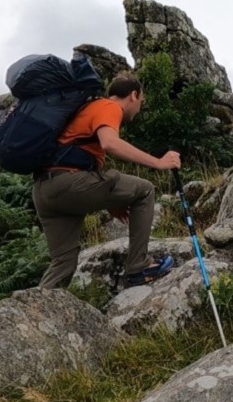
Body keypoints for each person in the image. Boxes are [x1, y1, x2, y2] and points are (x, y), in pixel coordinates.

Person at [32, 72, 181, 289]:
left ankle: (35, 312)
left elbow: (87, 160)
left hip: (45, 191)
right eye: (141, 101)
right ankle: (139, 266)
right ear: (133, 95)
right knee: (145, 190)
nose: (139, 108)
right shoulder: (109, 107)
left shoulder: (85, 111)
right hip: (69, 184)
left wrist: (112, 204)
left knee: (63, 262)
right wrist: (158, 163)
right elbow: (109, 144)